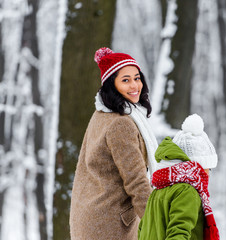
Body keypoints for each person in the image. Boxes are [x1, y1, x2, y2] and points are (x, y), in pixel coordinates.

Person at [69, 47, 158, 240]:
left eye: (137, 78)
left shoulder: (102, 115)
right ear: (112, 85)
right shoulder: (121, 124)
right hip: (110, 224)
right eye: (125, 80)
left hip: (92, 217)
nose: (135, 85)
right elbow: (136, 182)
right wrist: (158, 226)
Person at [138, 114, 220, 240]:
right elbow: (179, 233)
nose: (208, 173)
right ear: (196, 166)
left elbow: (142, 230)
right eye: (208, 168)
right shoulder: (187, 192)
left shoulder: (157, 191)